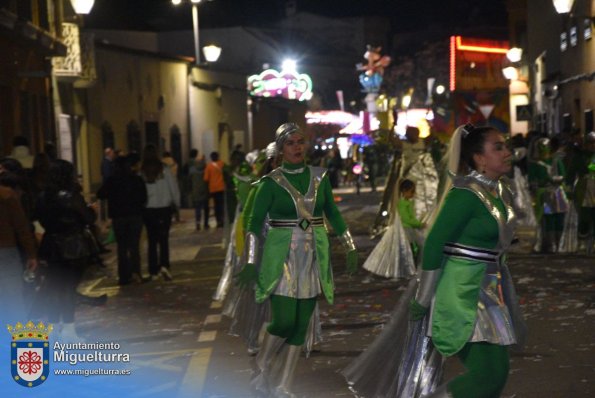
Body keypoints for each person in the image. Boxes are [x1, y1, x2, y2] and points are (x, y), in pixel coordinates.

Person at [344, 124, 526, 398]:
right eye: (498, 147)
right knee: (486, 377)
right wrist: (425, 296)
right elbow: (433, 245)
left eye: (506, 145)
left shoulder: (500, 192)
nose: (507, 152)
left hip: (491, 289)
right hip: (463, 292)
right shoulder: (466, 194)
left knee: (496, 375)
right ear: (479, 158)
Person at [236, 122, 358, 397]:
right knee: (285, 321)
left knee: (301, 325)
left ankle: (284, 385)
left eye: (300, 142)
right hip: (281, 257)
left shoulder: (320, 177)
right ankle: (263, 362)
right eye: (290, 143)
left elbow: (333, 214)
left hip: (312, 254)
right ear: (280, 149)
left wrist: (348, 244)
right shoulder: (269, 183)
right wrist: (251, 261)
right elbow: (253, 225)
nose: (297, 147)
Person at [35, 159, 97, 341]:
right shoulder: (71, 196)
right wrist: (92, 210)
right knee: (68, 288)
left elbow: (38, 217)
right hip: (72, 246)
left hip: (50, 245)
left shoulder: (43, 196)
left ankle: (54, 327)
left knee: (54, 287)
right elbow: (87, 218)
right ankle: (69, 330)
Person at [97, 154, 147, 285]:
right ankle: (136, 273)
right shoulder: (136, 179)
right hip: (135, 216)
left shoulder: (112, 180)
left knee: (122, 247)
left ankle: (124, 276)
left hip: (119, 217)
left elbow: (100, 194)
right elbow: (144, 197)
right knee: (134, 246)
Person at [140, 144, 180, 281]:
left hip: (148, 209)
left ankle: (153, 270)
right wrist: (177, 203)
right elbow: (173, 187)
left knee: (151, 240)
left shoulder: (142, 172)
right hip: (164, 208)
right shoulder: (164, 169)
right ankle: (164, 265)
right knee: (163, 239)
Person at [397, 178, 426, 258]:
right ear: (404, 191)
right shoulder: (403, 204)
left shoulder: (407, 203)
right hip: (407, 231)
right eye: (412, 191)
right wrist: (419, 224)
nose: (413, 194)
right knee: (411, 251)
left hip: (409, 229)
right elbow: (406, 219)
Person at [186, 149, 209, 230]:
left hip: (195, 189)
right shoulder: (205, 168)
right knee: (206, 207)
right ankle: (206, 223)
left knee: (197, 207)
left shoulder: (192, 169)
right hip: (205, 188)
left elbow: (189, 179)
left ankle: (198, 223)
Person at [204, 151, 226, 228]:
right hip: (222, 187)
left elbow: (206, 179)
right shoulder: (222, 164)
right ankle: (222, 219)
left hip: (213, 189)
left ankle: (218, 221)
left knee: (216, 206)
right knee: (222, 205)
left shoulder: (209, 166)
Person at [162, 151, 180, 222]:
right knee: (174, 199)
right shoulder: (174, 163)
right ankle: (177, 217)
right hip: (174, 181)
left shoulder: (161, 163)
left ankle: (167, 216)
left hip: (164, 183)